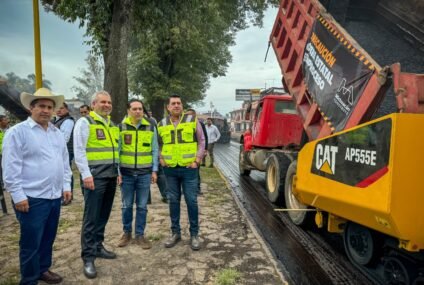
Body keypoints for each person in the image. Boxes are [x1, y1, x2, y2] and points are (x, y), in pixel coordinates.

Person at [2, 87, 72, 285]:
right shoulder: (17, 133)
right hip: (31, 198)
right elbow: (10, 167)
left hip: (54, 196)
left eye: (50, 107)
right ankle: (30, 279)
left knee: (48, 238)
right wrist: (18, 195)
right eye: (41, 106)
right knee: (30, 243)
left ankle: (43, 269)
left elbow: (64, 161)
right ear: (31, 108)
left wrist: (66, 186)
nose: (46, 110)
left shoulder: (56, 133)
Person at [73, 91, 119, 279]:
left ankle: (98, 246)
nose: (107, 105)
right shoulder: (84, 122)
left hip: (110, 177)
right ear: (93, 105)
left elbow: (116, 152)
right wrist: (86, 175)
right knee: (91, 218)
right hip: (94, 178)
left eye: (109, 102)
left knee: (103, 215)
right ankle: (89, 257)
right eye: (103, 102)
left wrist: (119, 174)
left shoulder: (112, 125)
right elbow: (79, 150)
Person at [157, 94, 205, 251]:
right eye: (173, 103)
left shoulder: (192, 121)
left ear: (182, 106)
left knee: (191, 201)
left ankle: (194, 235)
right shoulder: (162, 124)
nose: (176, 105)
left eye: (179, 103)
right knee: (173, 201)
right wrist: (161, 159)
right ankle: (175, 233)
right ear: (168, 107)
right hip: (170, 169)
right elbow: (157, 144)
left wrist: (197, 160)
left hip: (188, 169)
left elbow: (201, 140)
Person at [117, 99, 159, 248]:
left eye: (140, 109)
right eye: (134, 109)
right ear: (128, 111)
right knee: (126, 205)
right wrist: (118, 172)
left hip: (144, 174)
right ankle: (126, 233)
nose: (138, 112)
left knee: (142, 206)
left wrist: (154, 170)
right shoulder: (121, 127)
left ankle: (140, 235)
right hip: (126, 173)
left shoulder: (150, 127)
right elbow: (117, 151)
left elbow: (155, 150)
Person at [54, 102, 75, 205]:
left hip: (65, 150)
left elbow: (64, 138)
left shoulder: (68, 121)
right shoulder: (57, 120)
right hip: (58, 151)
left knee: (66, 172)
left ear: (67, 110)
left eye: (61, 108)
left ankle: (67, 196)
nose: (59, 110)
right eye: (57, 108)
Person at [185, 109, 208, 196]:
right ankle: (186, 189)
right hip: (186, 152)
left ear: (194, 115)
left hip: (197, 151)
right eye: (186, 115)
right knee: (186, 171)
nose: (188, 117)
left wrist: (205, 149)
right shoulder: (184, 124)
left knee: (196, 171)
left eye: (189, 115)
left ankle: (197, 189)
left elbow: (204, 137)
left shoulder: (200, 124)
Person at [0, 115, 10, 213]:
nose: (7, 121)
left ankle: (5, 184)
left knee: (5, 170)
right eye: (5, 119)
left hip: (6, 154)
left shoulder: (10, 130)